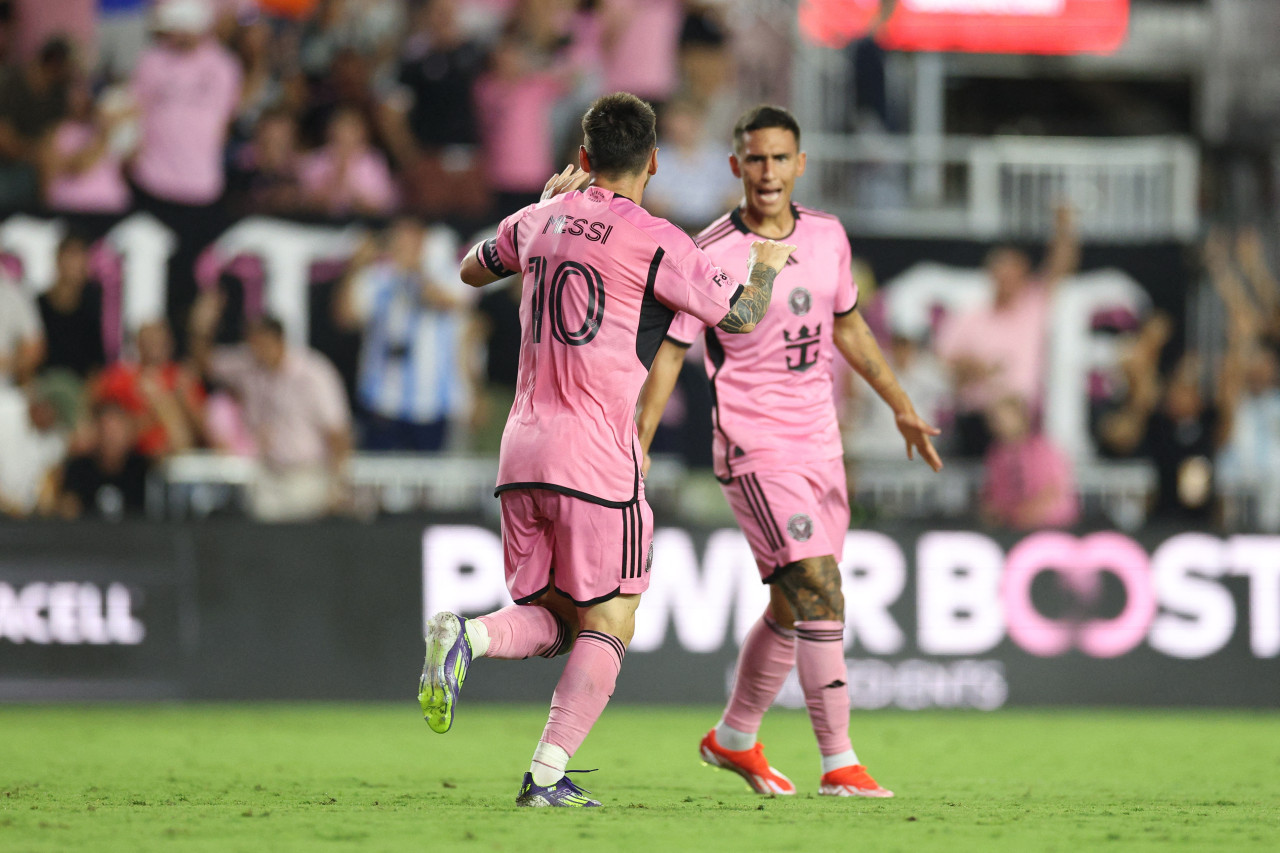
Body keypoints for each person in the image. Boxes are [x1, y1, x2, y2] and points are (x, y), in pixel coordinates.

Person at [421, 92, 791, 808]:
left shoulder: (540, 217)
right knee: (614, 617)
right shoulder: (657, 240)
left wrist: (540, 211)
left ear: (583, 158)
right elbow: (742, 316)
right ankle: (547, 776)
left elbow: (470, 269)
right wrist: (768, 263)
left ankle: (467, 633)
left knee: (560, 620)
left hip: (519, 453)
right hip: (594, 457)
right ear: (652, 162)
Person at [635, 105, 942, 799]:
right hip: (753, 445)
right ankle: (840, 762)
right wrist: (639, 446)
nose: (768, 172)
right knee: (820, 587)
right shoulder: (708, 252)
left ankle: (734, 736)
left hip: (821, 447)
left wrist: (900, 404)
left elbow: (849, 326)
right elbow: (669, 356)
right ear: (736, 165)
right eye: (756, 159)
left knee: (789, 602)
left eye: (780, 159)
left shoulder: (829, 236)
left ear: (799, 164)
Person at [934, 206, 1079, 457]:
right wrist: (973, 368)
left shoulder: (1033, 308)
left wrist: (1064, 227)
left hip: (1021, 416)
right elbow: (943, 364)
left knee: (1011, 420)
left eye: (1013, 272)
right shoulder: (969, 317)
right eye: (1001, 271)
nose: (1006, 279)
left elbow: (1061, 266)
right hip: (976, 419)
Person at [189, 299, 353, 522]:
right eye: (252, 343)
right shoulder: (248, 366)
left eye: (261, 342)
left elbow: (338, 433)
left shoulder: (314, 373)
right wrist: (200, 328)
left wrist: (338, 486)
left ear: (279, 339)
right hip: (265, 476)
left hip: (306, 477)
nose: (256, 349)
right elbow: (205, 364)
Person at [334, 218, 478, 451]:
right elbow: (346, 319)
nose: (399, 245)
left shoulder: (449, 272)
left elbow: (446, 302)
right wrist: (354, 269)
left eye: (406, 239)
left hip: (431, 403)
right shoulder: (378, 277)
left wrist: (415, 271)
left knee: (426, 481)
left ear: (422, 240)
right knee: (378, 479)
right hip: (382, 399)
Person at [980, 394, 1078, 530]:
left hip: (1051, 526)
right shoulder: (996, 454)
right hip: (1011, 526)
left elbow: (1054, 490)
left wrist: (1027, 513)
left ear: (1021, 417)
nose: (1000, 423)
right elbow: (994, 493)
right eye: (996, 418)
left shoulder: (1044, 449)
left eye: (1005, 417)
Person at [37, 234, 107, 379]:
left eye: (82, 257)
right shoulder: (38, 304)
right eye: (71, 256)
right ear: (58, 259)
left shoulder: (92, 306)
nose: (76, 264)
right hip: (43, 386)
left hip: (80, 389)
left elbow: (98, 363)